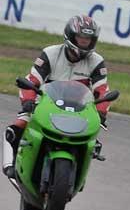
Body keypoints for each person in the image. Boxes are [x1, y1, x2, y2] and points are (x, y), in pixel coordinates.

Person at [3, 15, 111, 178]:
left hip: (79, 110)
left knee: (92, 141)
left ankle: (78, 173)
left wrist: (101, 113)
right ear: (70, 35)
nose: (84, 42)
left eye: (88, 39)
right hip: (44, 105)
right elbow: (32, 80)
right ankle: (9, 165)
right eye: (81, 38)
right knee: (16, 127)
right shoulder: (50, 53)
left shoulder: (96, 61)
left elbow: (102, 91)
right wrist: (28, 102)